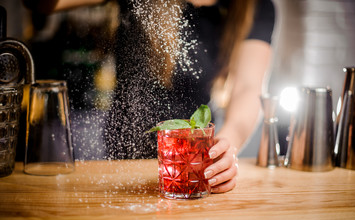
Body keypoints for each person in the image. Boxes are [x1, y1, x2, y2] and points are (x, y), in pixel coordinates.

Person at [22, 0, 275, 194]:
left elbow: (247, 88)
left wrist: (226, 146)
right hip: (124, 161)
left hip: (189, 163)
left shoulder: (255, 6)